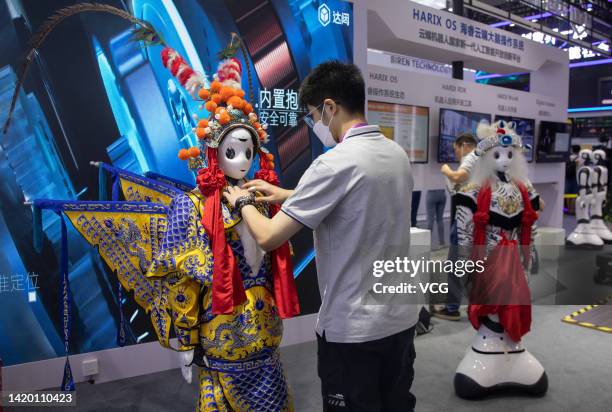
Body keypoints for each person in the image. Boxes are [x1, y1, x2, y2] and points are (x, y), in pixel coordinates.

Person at [223, 60, 417, 411]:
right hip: (400, 319)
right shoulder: (395, 154)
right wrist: (287, 195)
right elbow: (355, 200)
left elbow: (268, 237)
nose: (314, 124)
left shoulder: (332, 164)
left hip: (354, 330)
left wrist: (241, 203)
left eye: (313, 115)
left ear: (330, 107)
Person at [432, 133, 478, 320]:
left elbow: (458, 178)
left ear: (464, 145)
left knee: (454, 266)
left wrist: (445, 170)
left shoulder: (471, 158)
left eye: (456, 150)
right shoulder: (484, 162)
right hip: (475, 223)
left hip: (463, 222)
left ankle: (451, 308)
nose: (457, 155)